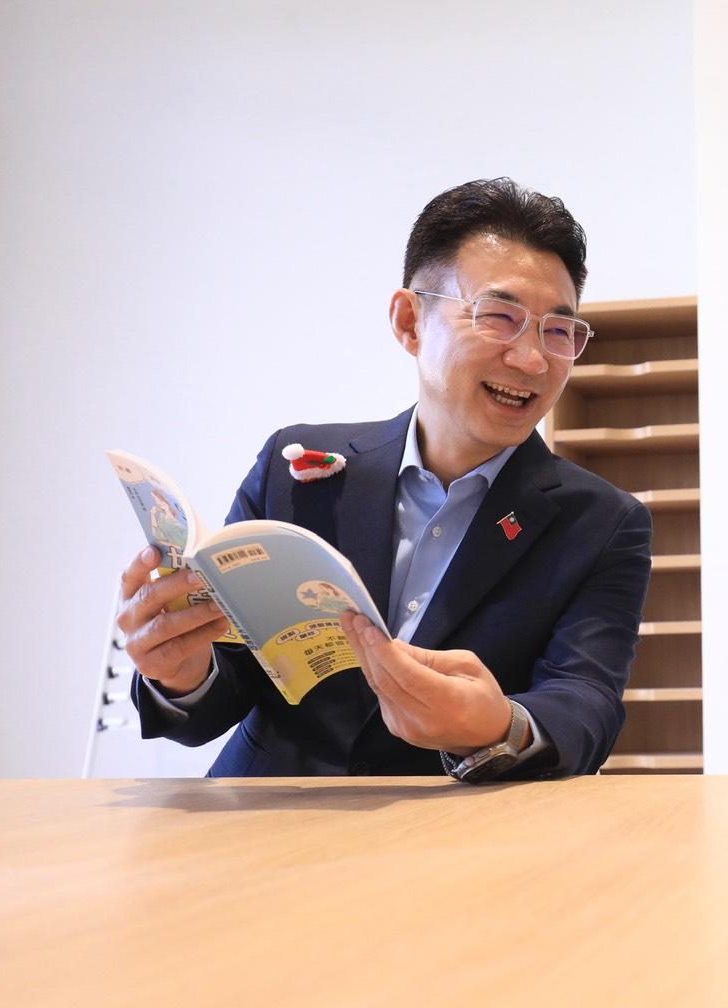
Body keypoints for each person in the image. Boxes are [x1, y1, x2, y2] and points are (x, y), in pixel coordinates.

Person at [117, 179, 652, 781]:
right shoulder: (296, 470)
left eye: (558, 331)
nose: (532, 360)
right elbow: (228, 678)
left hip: (456, 826)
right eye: (499, 317)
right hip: (264, 813)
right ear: (409, 321)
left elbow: (586, 700)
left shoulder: (603, 523)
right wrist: (181, 672)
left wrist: (500, 725)